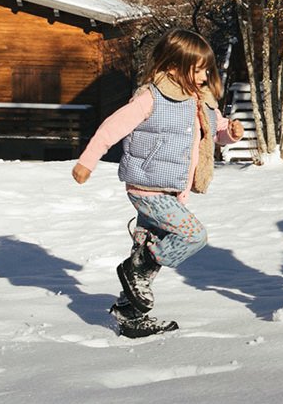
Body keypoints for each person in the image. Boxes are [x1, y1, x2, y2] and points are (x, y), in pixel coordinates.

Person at [72, 29, 244, 337]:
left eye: (207, 68)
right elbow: (112, 127)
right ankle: (134, 269)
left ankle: (130, 314)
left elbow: (214, 132)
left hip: (172, 190)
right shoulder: (152, 97)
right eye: (198, 68)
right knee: (193, 236)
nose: (205, 75)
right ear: (175, 66)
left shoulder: (202, 101)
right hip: (147, 188)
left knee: (147, 245)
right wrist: (87, 161)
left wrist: (230, 132)